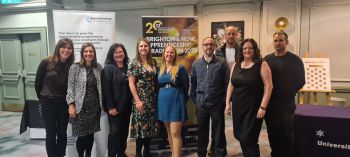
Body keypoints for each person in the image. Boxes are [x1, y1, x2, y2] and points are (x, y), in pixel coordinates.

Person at [225, 38, 273, 157]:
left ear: (255, 50)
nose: (247, 50)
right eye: (245, 48)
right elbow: (231, 84)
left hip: (253, 109)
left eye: (250, 48)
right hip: (238, 108)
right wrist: (227, 103)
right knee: (241, 137)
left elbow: (269, 87)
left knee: (249, 139)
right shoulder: (236, 64)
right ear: (241, 50)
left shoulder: (262, 64)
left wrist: (263, 107)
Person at [264, 30, 305, 157]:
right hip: (270, 103)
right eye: (275, 40)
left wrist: (287, 93)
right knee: (272, 132)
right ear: (273, 42)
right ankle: (275, 153)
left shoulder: (295, 60)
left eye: (281, 40)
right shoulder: (267, 59)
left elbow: (301, 81)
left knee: (286, 133)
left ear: (286, 42)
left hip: (286, 104)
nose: (278, 43)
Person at [35, 38, 74, 157]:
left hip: (63, 104)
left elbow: (71, 88)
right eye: (64, 47)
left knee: (62, 134)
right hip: (48, 104)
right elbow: (38, 83)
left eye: (69, 48)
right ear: (58, 48)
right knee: (51, 134)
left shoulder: (71, 66)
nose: (66, 50)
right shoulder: (46, 62)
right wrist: (43, 99)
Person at [191, 37, 229, 157]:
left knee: (218, 131)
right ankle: (201, 153)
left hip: (217, 103)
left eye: (211, 44)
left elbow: (227, 84)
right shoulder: (196, 64)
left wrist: (224, 101)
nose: (209, 47)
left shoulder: (221, 63)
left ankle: (220, 153)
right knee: (202, 131)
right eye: (206, 44)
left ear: (214, 46)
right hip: (201, 104)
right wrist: (195, 100)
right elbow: (193, 84)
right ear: (202, 46)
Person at [66, 43, 103, 157]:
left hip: (94, 107)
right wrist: (71, 105)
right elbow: (70, 88)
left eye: (91, 51)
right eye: (86, 51)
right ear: (82, 53)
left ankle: (88, 155)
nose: (88, 53)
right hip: (80, 108)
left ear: (94, 53)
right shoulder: (75, 67)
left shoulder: (98, 67)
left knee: (90, 135)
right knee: (81, 136)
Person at [127, 37, 159, 157]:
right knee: (141, 130)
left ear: (149, 48)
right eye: (141, 46)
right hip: (140, 101)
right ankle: (138, 153)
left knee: (149, 128)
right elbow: (131, 83)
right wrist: (137, 101)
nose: (143, 48)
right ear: (138, 48)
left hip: (151, 100)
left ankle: (147, 152)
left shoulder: (153, 62)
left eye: (145, 46)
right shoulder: (134, 63)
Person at [157, 45, 189, 157]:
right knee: (169, 132)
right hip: (163, 102)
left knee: (175, 132)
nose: (169, 54)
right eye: (167, 52)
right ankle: (173, 154)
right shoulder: (160, 68)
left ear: (175, 55)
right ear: (164, 54)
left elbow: (186, 86)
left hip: (176, 101)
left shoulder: (180, 68)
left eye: (172, 52)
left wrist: (181, 99)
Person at [101, 43, 132, 157]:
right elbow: (106, 89)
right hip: (114, 108)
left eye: (121, 52)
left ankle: (121, 153)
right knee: (114, 133)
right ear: (112, 55)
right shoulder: (108, 68)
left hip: (127, 107)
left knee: (124, 132)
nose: (119, 54)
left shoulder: (129, 67)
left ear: (124, 53)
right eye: (116, 52)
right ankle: (112, 154)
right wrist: (110, 107)